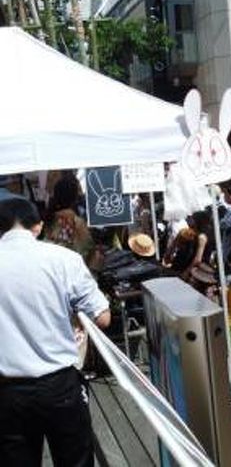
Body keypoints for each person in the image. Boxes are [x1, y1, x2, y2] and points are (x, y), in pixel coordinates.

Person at [0, 198, 111, 466]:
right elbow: (103, 317)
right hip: (60, 384)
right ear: (37, 227)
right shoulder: (63, 259)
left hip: (7, 392)